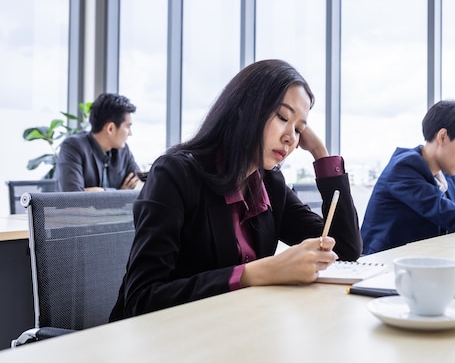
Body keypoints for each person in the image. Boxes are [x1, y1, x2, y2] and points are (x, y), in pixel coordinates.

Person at [109, 59, 362, 321]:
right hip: (165, 340)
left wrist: (321, 155)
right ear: (244, 108)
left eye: (299, 130)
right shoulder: (175, 174)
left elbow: (344, 248)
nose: (291, 137)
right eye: (283, 117)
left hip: (234, 331)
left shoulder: (269, 184)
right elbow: (142, 300)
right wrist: (256, 273)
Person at [360, 99, 455, 254]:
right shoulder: (404, 168)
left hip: (423, 259)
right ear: (442, 137)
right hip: (383, 264)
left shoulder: (447, 174)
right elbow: (451, 215)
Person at [56, 93, 141, 192]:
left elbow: (140, 187)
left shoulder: (123, 150)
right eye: (127, 126)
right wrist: (119, 193)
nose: (130, 133)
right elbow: (73, 197)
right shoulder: (73, 146)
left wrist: (102, 192)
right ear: (110, 128)